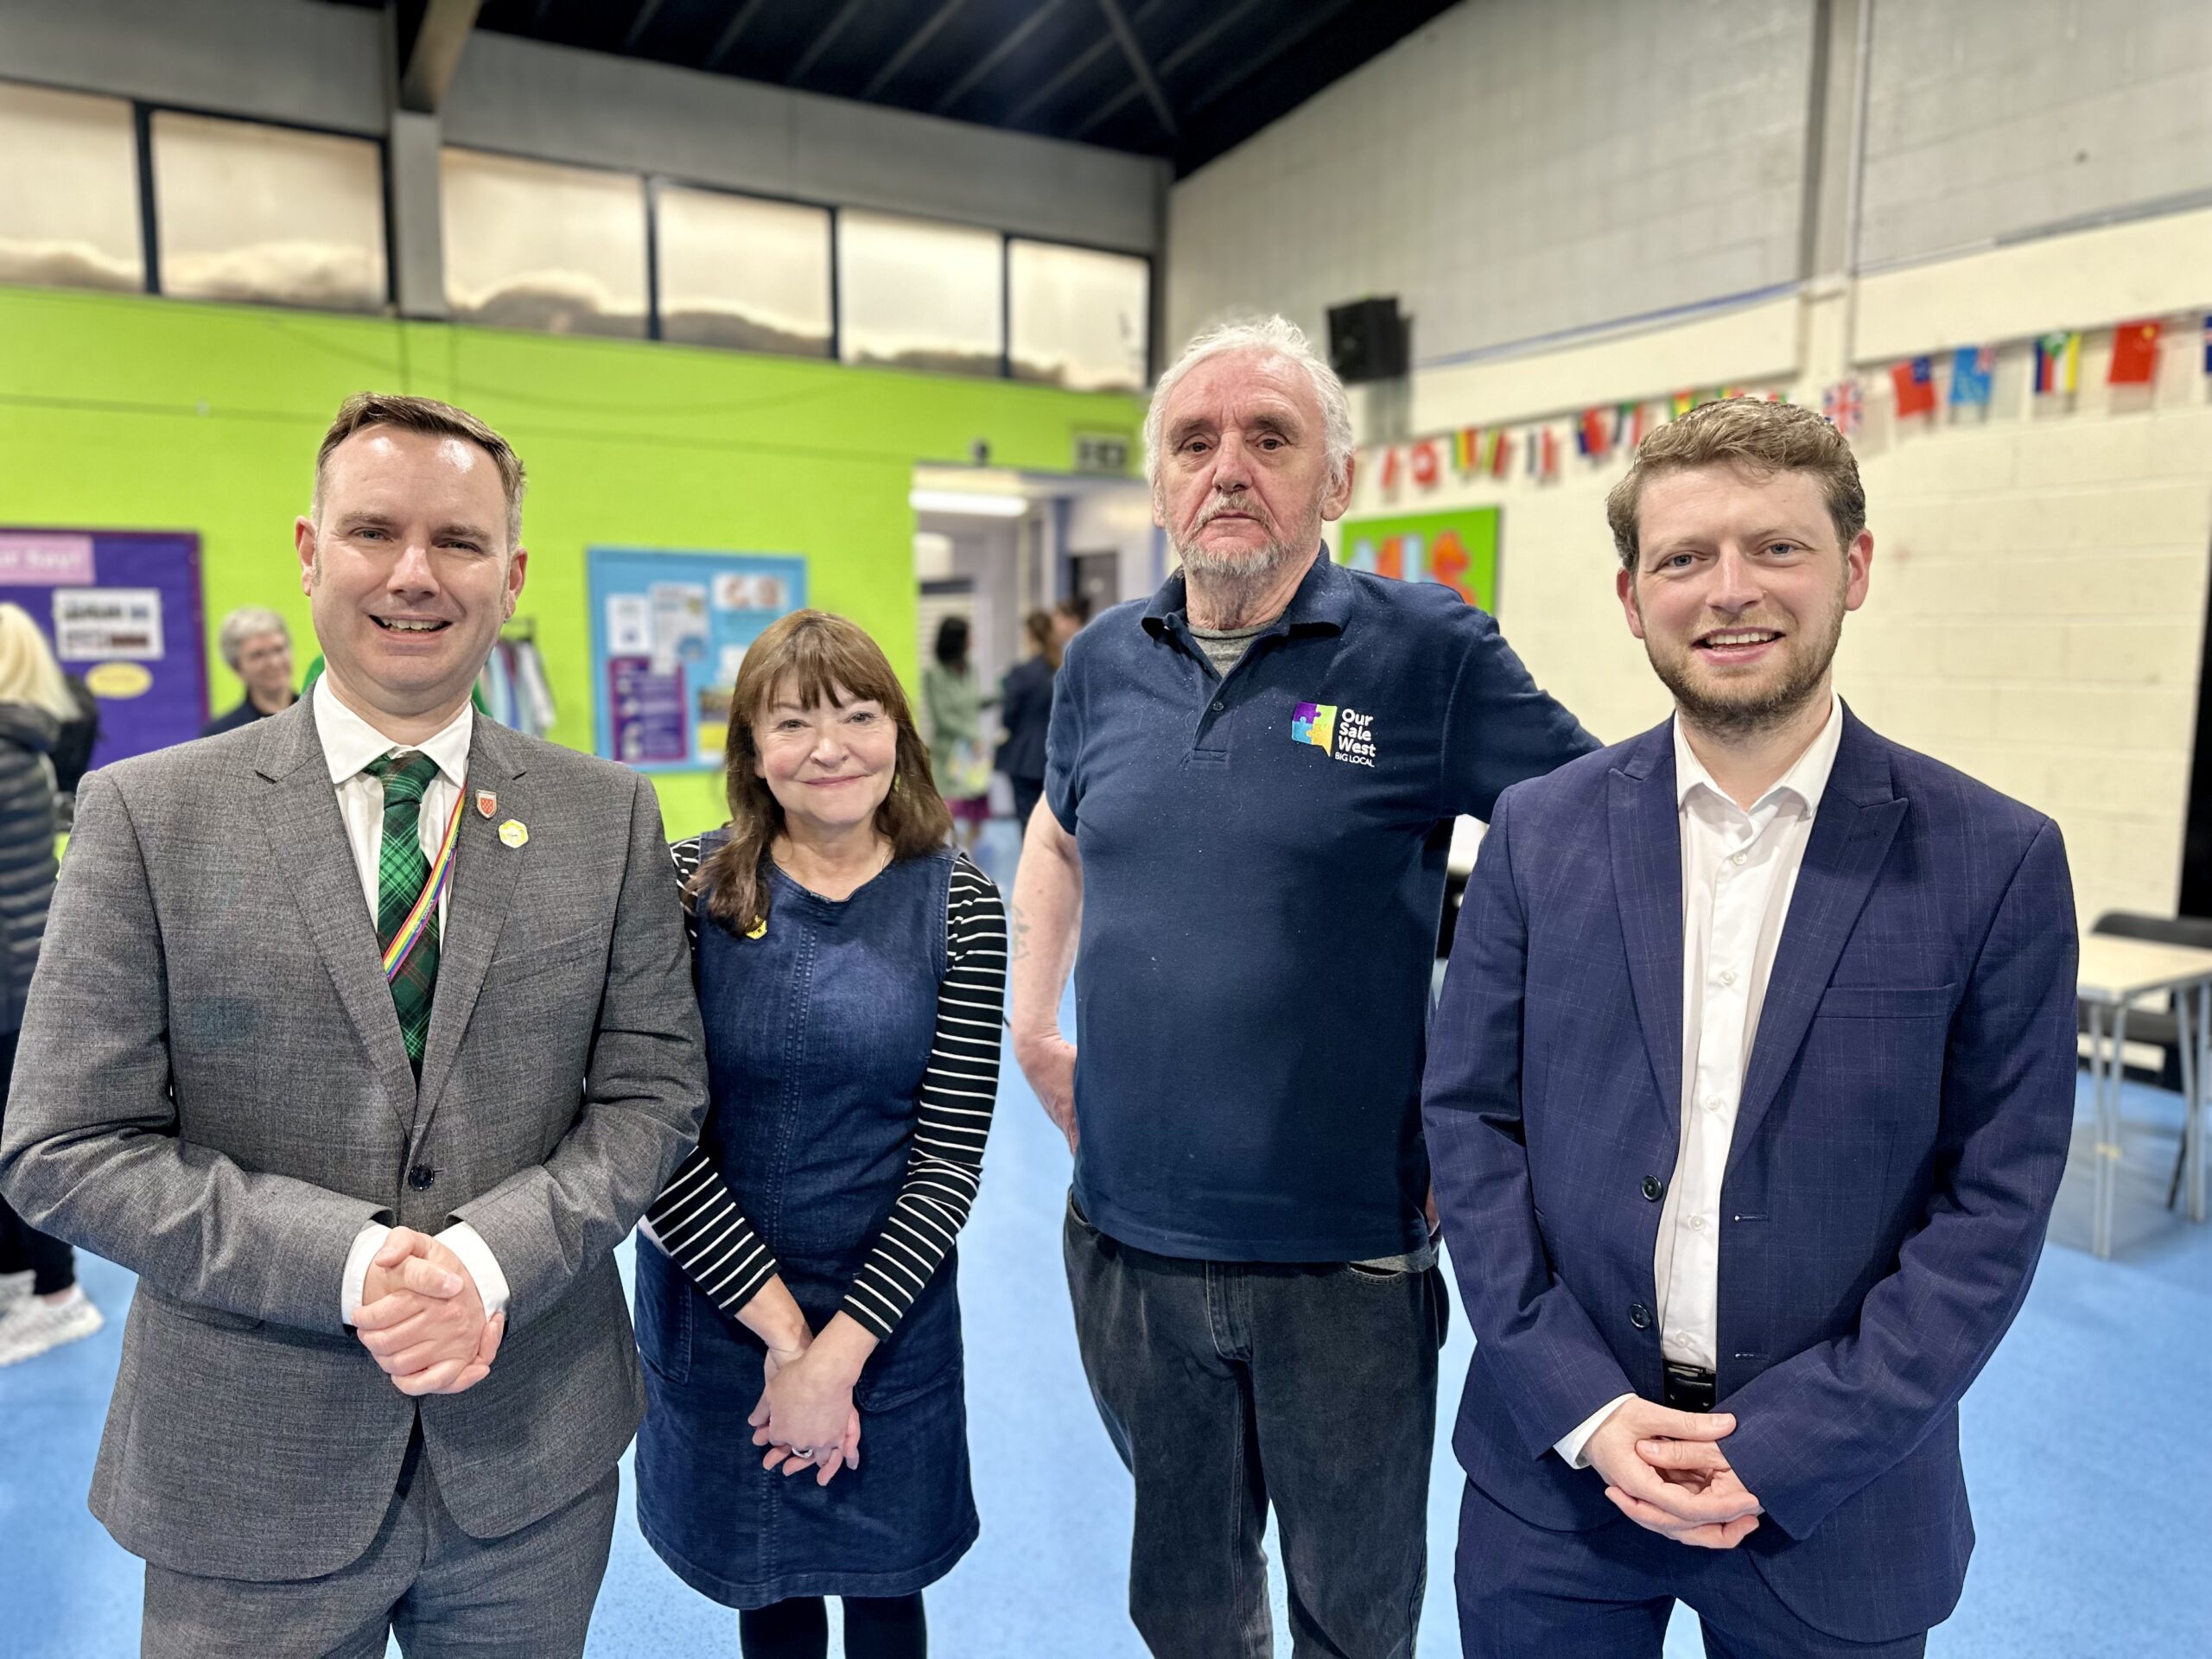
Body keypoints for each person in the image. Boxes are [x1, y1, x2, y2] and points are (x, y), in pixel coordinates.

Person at [0, 392, 709, 1656]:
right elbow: (64, 1144)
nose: (414, 576)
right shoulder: (148, 818)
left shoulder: (608, 820)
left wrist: (489, 1256)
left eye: (459, 542)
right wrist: (350, 1263)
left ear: (512, 572)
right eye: (374, 532)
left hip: (530, 1471)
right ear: (310, 549)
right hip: (246, 1475)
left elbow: (654, 1094)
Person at [1423, 397, 2078, 1658]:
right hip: (1555, 1480)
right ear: (1631, 597)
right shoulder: (1538, 833)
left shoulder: (1992, 861)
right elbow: (1471, 1125)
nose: (1731, 591)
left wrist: (1791, 1446)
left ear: (1856, 567)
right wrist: (1582, 1405)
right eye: (1683, 558)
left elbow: (1995, 1205)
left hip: (1836, 1502)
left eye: (1777, 548)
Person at [1008, 315, 1596, 1659]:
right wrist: (1033, 1027)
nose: (1229, 468)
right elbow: (1056, 829)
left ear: (1337, 483)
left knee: (1354, 1612)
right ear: (1159, 482)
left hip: (1348, 1254)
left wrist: (1499, 1106)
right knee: (1189, 1607)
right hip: (1129, 1239)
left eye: (1271, 439)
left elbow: (1598, 852)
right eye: (1194, 442)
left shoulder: (1426, 654)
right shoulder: (1101, 659)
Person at [635, 608, 1004, 1658]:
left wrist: (838, 1356)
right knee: (772, 1588)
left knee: (888, 1590)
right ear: (753, 751)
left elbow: (944, 1168)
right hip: (722, 1305)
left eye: (858, 712)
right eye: (792, 722)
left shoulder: (961, 905)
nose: (831, 746)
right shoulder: (684, 888)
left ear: (900, 730)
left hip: (885, 1314)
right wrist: (790, 1349)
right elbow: (655, 1138)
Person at [0, 605, 97, 1366]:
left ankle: (58, 1293)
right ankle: (22, 1279)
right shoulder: (28, 747)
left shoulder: (8, 752)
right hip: (22, 973)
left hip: (10, 983)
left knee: (24, 1150)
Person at [920, 615, 990, 850]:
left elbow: (971, 703)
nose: (973, 640)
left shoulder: (970, 669)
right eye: (968, 636)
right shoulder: (934, 674)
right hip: (949, 753)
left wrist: (1000, 695)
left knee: (977, 812)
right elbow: (943, 716)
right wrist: (972, 736)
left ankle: (971, 861)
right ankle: (949, 858)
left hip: (974, 754)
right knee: (948, 810)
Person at [995, 608, 1060, 830]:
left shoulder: (1022, 673)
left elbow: (1008, 718)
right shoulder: (1061, 670)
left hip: (1024, 759)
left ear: (1030, 635)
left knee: (1028, 825)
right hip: (1056, 757)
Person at [201, 605, 299, 734]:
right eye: (258, 655)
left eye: (279, 649)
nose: (274, 662)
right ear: (236, 667)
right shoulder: (222, 734)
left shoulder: (320, 714)